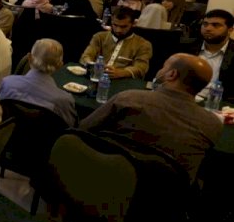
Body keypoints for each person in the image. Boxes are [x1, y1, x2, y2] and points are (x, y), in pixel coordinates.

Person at [80, 54, 222, 180]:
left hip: (107, 178)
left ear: (172, 74)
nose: (160, 70)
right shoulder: (213, 124)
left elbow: (83, 129)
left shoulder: (129, 98)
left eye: (164, 67)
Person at [0, 39, 77, 126]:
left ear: (29, 58)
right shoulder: (64, 101)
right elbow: (70, 128)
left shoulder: (7, 83)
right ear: (60, 65)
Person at [79, 7, 152, 79]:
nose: (118, 30)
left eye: (123, 27)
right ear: (111, 22)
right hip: (96, 76)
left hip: (123, 81)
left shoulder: (143, 44)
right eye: (115, 25)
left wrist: (122, 73)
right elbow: (86, 56)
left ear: (133, 24)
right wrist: (93, 65)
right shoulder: (99, 37)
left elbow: (141, 68)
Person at [183, 9, 234, 99]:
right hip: (184, 98)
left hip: (219, 104)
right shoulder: (186, 46)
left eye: (216, 25)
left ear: (230, 30)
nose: (208, 29)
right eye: (205, 24)